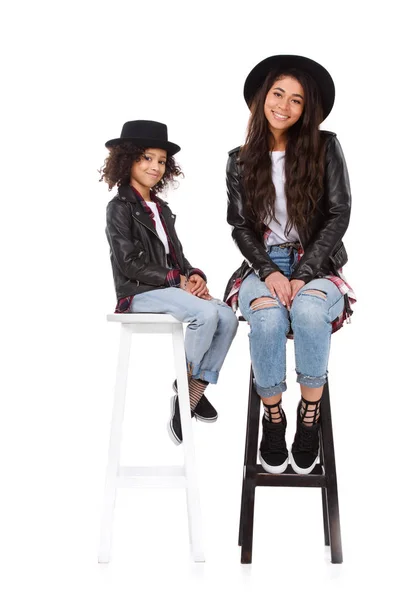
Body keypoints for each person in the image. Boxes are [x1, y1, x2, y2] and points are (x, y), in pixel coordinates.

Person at [224, 55, 355, 474]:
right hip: (263, 264)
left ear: (306, 109)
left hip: (317, 262)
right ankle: (274, 416)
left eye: (296, 100)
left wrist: (301, 274)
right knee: (265, 320)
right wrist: (271, 272)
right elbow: (241, 227)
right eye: (278, 94)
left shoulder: (326, 146)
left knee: (310, 309)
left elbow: (339, 213)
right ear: (263, 98)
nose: (284, 105)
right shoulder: (240, 159)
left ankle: (309, 417)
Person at [101, 120, 238, 444]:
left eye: (161, 161)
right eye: (146, 158)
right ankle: (185, 380)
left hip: (170, 288)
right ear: (128, 160)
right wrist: (176, 280)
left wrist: (194, 276)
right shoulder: (119, 208)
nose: (155, 166)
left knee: (227, 316)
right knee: (204, 315)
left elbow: (178, 258)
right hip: (137, 293)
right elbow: (129, 264)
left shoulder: (161, 209)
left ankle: (191, 391)